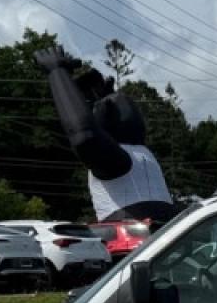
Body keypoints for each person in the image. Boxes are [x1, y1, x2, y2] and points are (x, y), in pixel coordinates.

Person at [35, 46, 178, 227]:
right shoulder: (120, 162)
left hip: (163, 239)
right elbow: (83, 135)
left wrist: (102, 100)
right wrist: (57, 73)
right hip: (131, 243)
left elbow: (87, 132)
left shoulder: (140, 156)